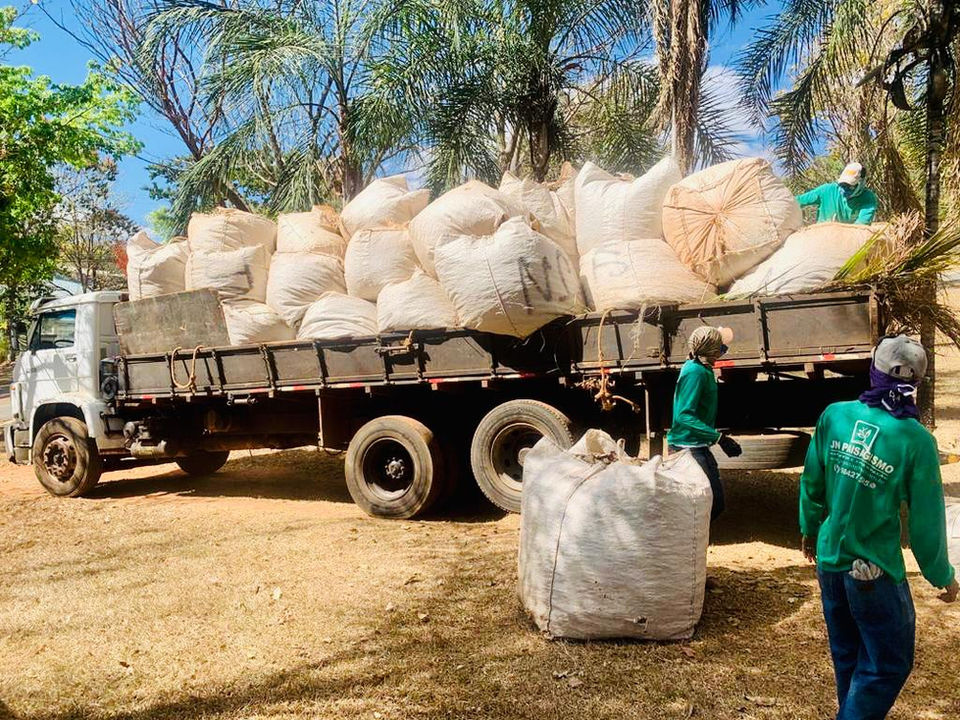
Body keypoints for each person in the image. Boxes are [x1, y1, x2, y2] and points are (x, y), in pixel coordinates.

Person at [799, 334, 958, 720]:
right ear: (916, 382)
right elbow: (926, 520)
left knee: (849, 659)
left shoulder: (835, 415)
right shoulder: (916, 440)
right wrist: (942, 575)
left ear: (874, 371)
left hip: (831, 561)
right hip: (874, 571)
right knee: (887, 665)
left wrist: (809, 529)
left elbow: (812, 481)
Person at [667, 325, 742, 521]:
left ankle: (697, 536)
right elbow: (683, 416)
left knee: (714, 503)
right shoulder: (694, 372)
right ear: (711, 349)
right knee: (707, 504)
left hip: (697, 445)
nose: (723, 350)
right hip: (686, 447)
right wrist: (719, 438)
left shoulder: (703, 369)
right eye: (720, 347)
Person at [796, 162, 878, 225]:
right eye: (842, 185)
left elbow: (861, 226)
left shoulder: (868, 198)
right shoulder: (826, 190)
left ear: (861, 183)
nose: (844, 190)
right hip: (819, 237)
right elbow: (797, 201)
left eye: (849, 186)